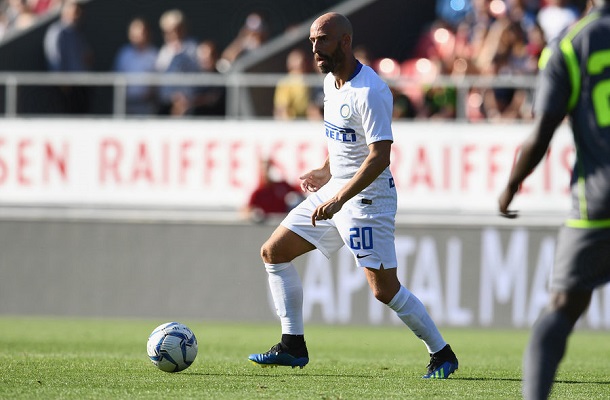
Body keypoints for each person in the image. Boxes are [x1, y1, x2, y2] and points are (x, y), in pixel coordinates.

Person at [248, 12, 459, 379]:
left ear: (345, 42)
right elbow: (347, 140)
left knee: (384, 290)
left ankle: (442, 353)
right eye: (312, 41)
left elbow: (379, 156)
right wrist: (325, 170)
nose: (315, 48)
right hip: (337, 190)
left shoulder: (370, 91)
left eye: (323, 40)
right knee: (274, 252)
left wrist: (340, 198)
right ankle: (292, 345)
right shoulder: (331, 83)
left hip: (366, 200)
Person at [498, 1, 610, 398]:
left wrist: (512, 185)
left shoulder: (569, 44)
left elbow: (542, 132)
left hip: (598, 199)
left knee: (562, 307)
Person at [43, 0, 92, 113]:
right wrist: (62, 81)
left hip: (81, 84)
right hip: (67, 87)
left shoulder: (77, 32)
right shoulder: (57, 32)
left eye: (79, 12)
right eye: (74, 11)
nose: (77, 15)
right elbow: (54, 59)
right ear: (65, 12)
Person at [154, 9, 199, 116]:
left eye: (177, 29)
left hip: (190, 103)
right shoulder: (164, 52)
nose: (174, 33)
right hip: (167, 103)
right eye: (170, 31)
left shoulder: (193, 48)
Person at [113, 17, 158, 115]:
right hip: (126, 104)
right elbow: (117, 76)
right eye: (136, 33)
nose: (140, 35)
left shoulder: (154, 54)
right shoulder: (124, 54)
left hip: (147, 105)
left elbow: (158, 78)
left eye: (142, 32)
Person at [242, 158, 304, 223]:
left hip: (283, 222)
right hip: (267, 224)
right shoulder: (258, 192)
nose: (267, 172)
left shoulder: (282, 185)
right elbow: (247, 211)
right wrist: (255, 214)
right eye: (265, 170)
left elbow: (300, 193)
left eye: (269, 168)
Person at [273, 48, 311, 120]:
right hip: (292, 122)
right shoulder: (285, 83)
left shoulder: (309, 81)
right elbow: (282, 107)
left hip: (307, 121)